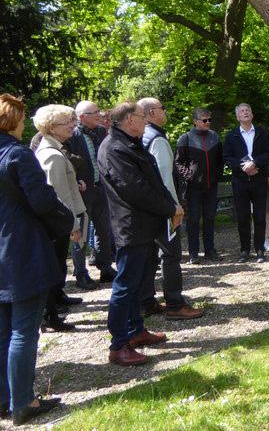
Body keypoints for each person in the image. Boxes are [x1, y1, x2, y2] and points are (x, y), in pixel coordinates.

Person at [98, 101, 183, 366]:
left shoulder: (130, 143)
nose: (145, 121)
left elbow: (154, 181)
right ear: (128, 120)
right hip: (132, 227)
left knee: (137, 282)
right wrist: (170, 208)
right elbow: (135, 189)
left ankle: (136, 331)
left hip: (147, 225)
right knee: (125, 285)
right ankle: (119, 344)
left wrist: (171, 205)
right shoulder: (114, 148)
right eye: (140, 116)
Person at [0, 94, 67, 425]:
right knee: (24, 331)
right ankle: (24, 401)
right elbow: (42, 202)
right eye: (22, 117)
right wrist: (64, 218)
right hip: (21, 251)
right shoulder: (17, 155)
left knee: (3, 331)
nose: (25, 123)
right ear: (12, 120)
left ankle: (4, 399)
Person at [138, 98, 202, 321]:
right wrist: (175, 209)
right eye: (162, 108)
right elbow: (164, 179)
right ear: (152, 113)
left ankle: (146, 301)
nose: (165, 112)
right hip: (162, 209)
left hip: (145, 208)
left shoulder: (139, 137)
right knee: (171, 255)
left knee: (149, 255)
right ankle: (175, 303)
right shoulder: (156, 139)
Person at [32, 105, 89, 333]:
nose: (72, 125)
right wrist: (72, 224)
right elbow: (58, 196)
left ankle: (54, 305)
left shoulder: (57, 149)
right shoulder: (51, 154)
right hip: (57, 223)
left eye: (71, 120)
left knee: (57, 266)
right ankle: (50, 316)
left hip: (60, 221)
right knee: (53, 267)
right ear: (50, 128)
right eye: (65, 122)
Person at [65, 101, 116, 282]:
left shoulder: (102, 132)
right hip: (82, 193)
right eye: (94, 112)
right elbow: (67, 162)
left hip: (101, 189)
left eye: (98, 111)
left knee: (104, 230)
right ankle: (81, 274)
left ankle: (106, 268)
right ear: (82, 117)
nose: (99, 114)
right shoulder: (71, 136)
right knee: (81, 234)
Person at [222, 103, 269, 263]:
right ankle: (244, 250)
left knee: (259, 216)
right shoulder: (232, 135)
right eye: (242, 111)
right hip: (240, 180)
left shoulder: (262, 132)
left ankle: (259, 249)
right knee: (243, 216)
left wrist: (255, 163)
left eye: (248, 110)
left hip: (259, 179)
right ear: (237, 116)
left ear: (252, 114)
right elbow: (227, 157)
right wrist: (243, 167)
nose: (245, 113)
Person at [175, 107, 224, 263]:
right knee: (194, 220)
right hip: (193, 188)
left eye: (209, 119)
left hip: (211, 186)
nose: (208, 122)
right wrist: (189, 175)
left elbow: (220, 159)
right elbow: (177, 163)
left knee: (210, 218)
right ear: (195, 121)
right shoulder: (186, 138)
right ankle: (193, 253)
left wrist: (217, 176)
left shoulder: (214, 137)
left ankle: (210, 250)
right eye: (204, 120)